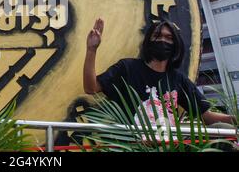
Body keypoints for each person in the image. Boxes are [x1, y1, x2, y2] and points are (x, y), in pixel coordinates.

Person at [83, 18, 236, 126]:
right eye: (157, 36)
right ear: (149, 40)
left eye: (169, 38)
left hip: (167, 145)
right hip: (133, 145)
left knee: (225, 130)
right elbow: (91, 88)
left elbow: (207, 117)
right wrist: (91, 50)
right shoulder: (127, 68)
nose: (163, 40)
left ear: (175, 45)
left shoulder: (178, 80)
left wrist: (235, 120)